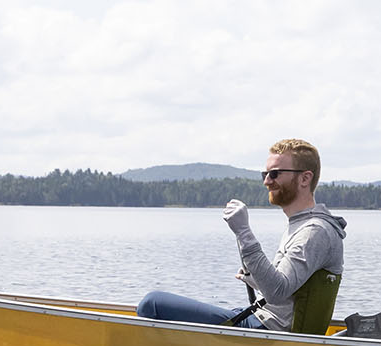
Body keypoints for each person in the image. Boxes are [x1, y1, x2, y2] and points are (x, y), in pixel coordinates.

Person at [136, 139, 347, 329]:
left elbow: (277, 291)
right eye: (265, 174)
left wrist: (243, 231)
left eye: (275, 174)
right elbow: (286, 290)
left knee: (151, 303)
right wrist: (256, 279)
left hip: (267, 333)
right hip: (260, 319)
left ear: (305, 178)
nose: (266, 181)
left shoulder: (314, 232)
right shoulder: (303, 225)